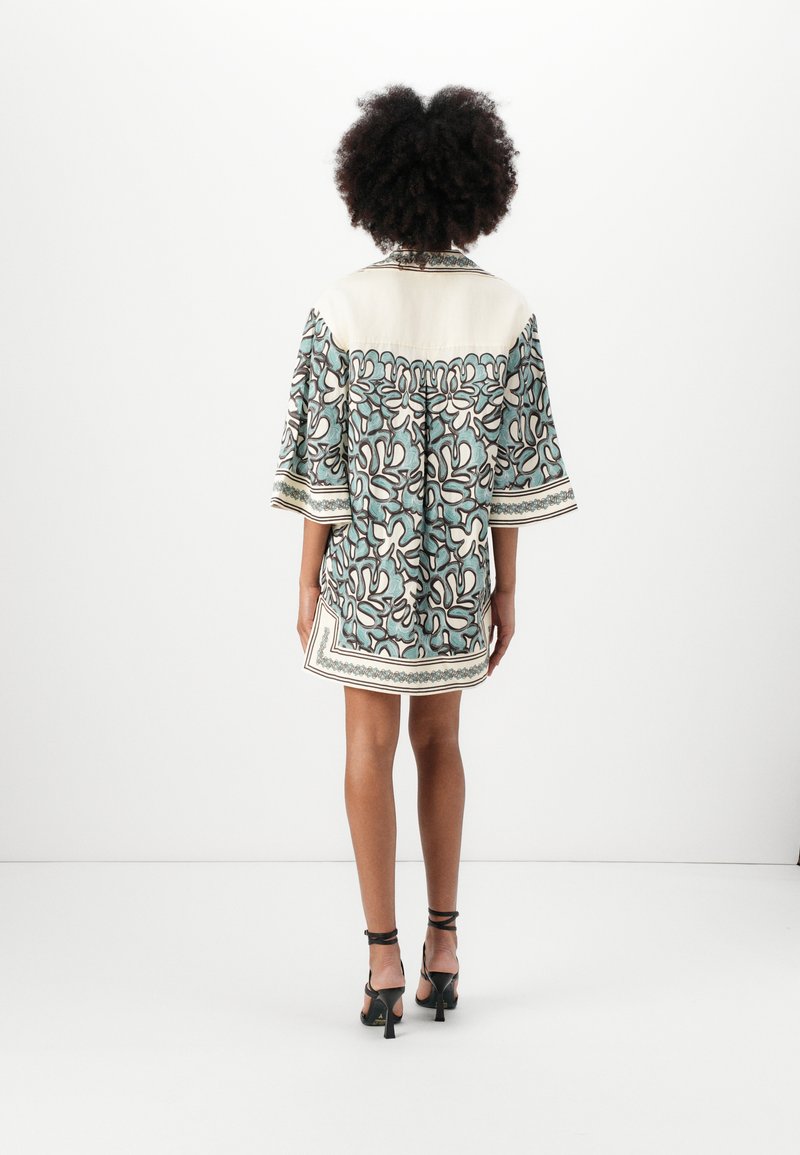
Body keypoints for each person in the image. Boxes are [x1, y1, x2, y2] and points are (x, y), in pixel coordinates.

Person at [270, 84, 578, 1038]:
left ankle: (382, 960)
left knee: (365, 748)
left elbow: (322, 465)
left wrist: (307, 574)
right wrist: (506, 587)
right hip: (453, 576)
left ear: (373, 185)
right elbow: (514, 476)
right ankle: (446, 942)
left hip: (367, 568)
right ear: (477, 189)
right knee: (441, 743)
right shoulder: (507, 312)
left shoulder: (341, 307)